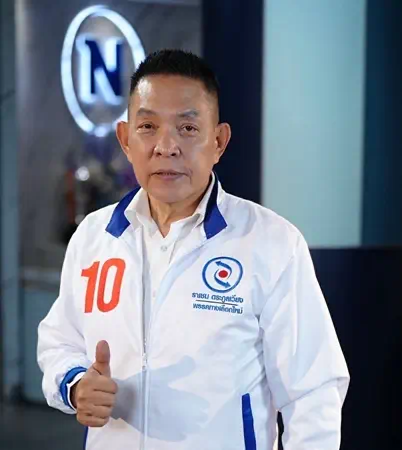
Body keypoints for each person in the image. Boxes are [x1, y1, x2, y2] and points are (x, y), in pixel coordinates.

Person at [37, 49, 349, 450]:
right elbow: (59, 340)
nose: (166, 146)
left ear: (218, 142)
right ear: (125, 139)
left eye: (187, 128)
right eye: (148, 126)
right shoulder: (94, 237)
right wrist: (75, 384)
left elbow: (313, 392)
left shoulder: (272, 243)